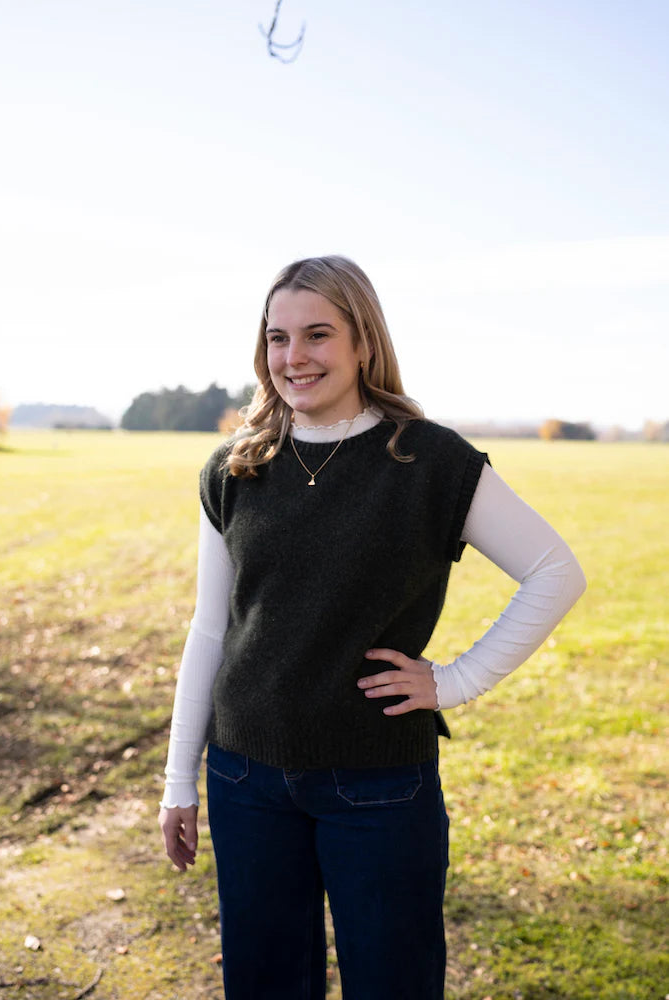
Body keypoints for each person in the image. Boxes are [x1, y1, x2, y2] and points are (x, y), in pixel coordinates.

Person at [158, 255, 586, 1000]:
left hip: (378, 783)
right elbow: (209, 632)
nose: (294, 357)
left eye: (317, 335)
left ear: (363, 342)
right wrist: (177, 782)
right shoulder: (235, 468)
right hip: (242, 777)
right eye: (277, 338)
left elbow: (555, 572)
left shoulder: (429, 461)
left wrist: (455, 680)